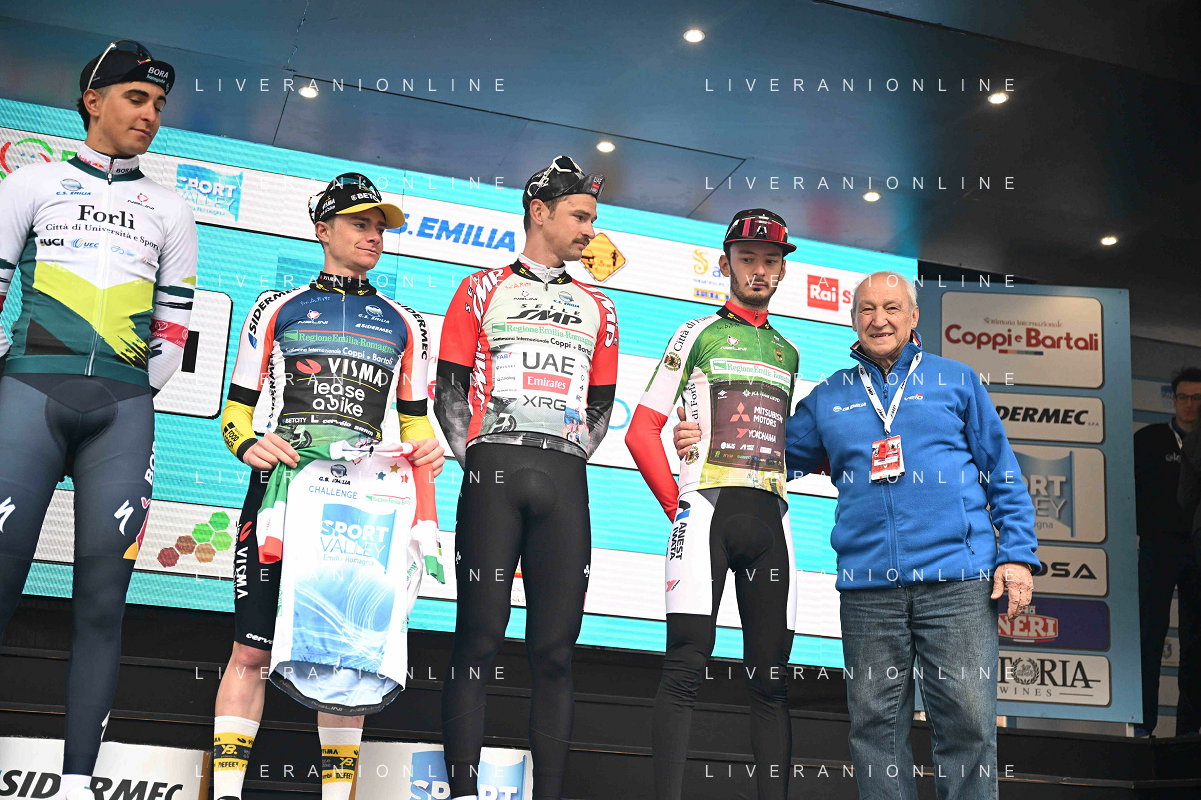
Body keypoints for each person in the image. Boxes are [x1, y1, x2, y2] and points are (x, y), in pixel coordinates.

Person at [675, 270, 1038, 800]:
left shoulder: (956, 381)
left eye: (892, 308)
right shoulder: (831, 396)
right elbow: (767, 452)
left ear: (913, 317)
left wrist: (1018, 555)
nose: (879, 319)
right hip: (869, 591)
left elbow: (1002, 470)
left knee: (968, 726)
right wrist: (702, 434)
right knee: (874, 733)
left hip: (957, 582)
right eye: (867, 309)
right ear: (852, 320)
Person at [0, 40, 195, 798]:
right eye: (135, 99)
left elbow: (172, 335)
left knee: (103, 604)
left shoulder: (171, 209)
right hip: (29, 397)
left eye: (158, 106)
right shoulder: (32, 183)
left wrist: (126, 388)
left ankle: (79, 784)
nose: (150, 115)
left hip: (121, 412)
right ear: (93, 100)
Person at [210, 173, 445, 800]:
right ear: (323, 230)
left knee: (347, 656)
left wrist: (427, 449)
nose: (374, 236)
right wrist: (247, 444)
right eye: (359, 224)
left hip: (359, 504)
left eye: (380, 227)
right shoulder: (276, 307)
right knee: (250, 650)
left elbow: (415, 423)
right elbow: (235, 412)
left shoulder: (406, 322)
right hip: (283, 494)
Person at [435, 155, 618, 800]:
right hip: (495, 474)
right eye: (580, 216)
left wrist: (566, 453)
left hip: (564, 479)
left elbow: (601, 406)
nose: (590, 231)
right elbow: (449, 391)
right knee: (479, 638)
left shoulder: (600, 305)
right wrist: (482, 460)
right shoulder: (480, 288)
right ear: (539, 212)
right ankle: (462, 790)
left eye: (592, 219)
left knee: (556, 653)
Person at [626, 209, 801, 800]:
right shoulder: (695, 333)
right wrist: (678, 506)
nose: (759, 270)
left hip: (773, 521)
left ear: (782, 270)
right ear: (725, 264)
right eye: (747, 258)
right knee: (684, 668)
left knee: (772, 682)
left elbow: (781, 443)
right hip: (704, 514)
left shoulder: (789, 351)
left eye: (770, 260)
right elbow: (641, 432)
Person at [1147, 366, 1201, 736]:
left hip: (1197, 550)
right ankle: (1143, 726)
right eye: (1183, 397)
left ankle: (1188, 733)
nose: (1190, 405)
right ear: (1173, 399)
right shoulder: (1149, 439)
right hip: (1159, 546)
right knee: (1151, 635)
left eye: (1197, 398)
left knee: (1195, 642)